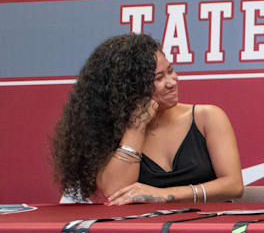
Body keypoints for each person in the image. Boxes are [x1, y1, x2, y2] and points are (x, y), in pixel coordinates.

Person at [52, 33, 243, 204]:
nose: (172, 81)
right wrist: (136, 127)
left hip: (208, 230)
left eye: (170, 70)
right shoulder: (109, 134)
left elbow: (234, 185)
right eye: (159, 78)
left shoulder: (207, 117)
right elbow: (114, 191)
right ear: (128, 89)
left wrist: (164, 194)